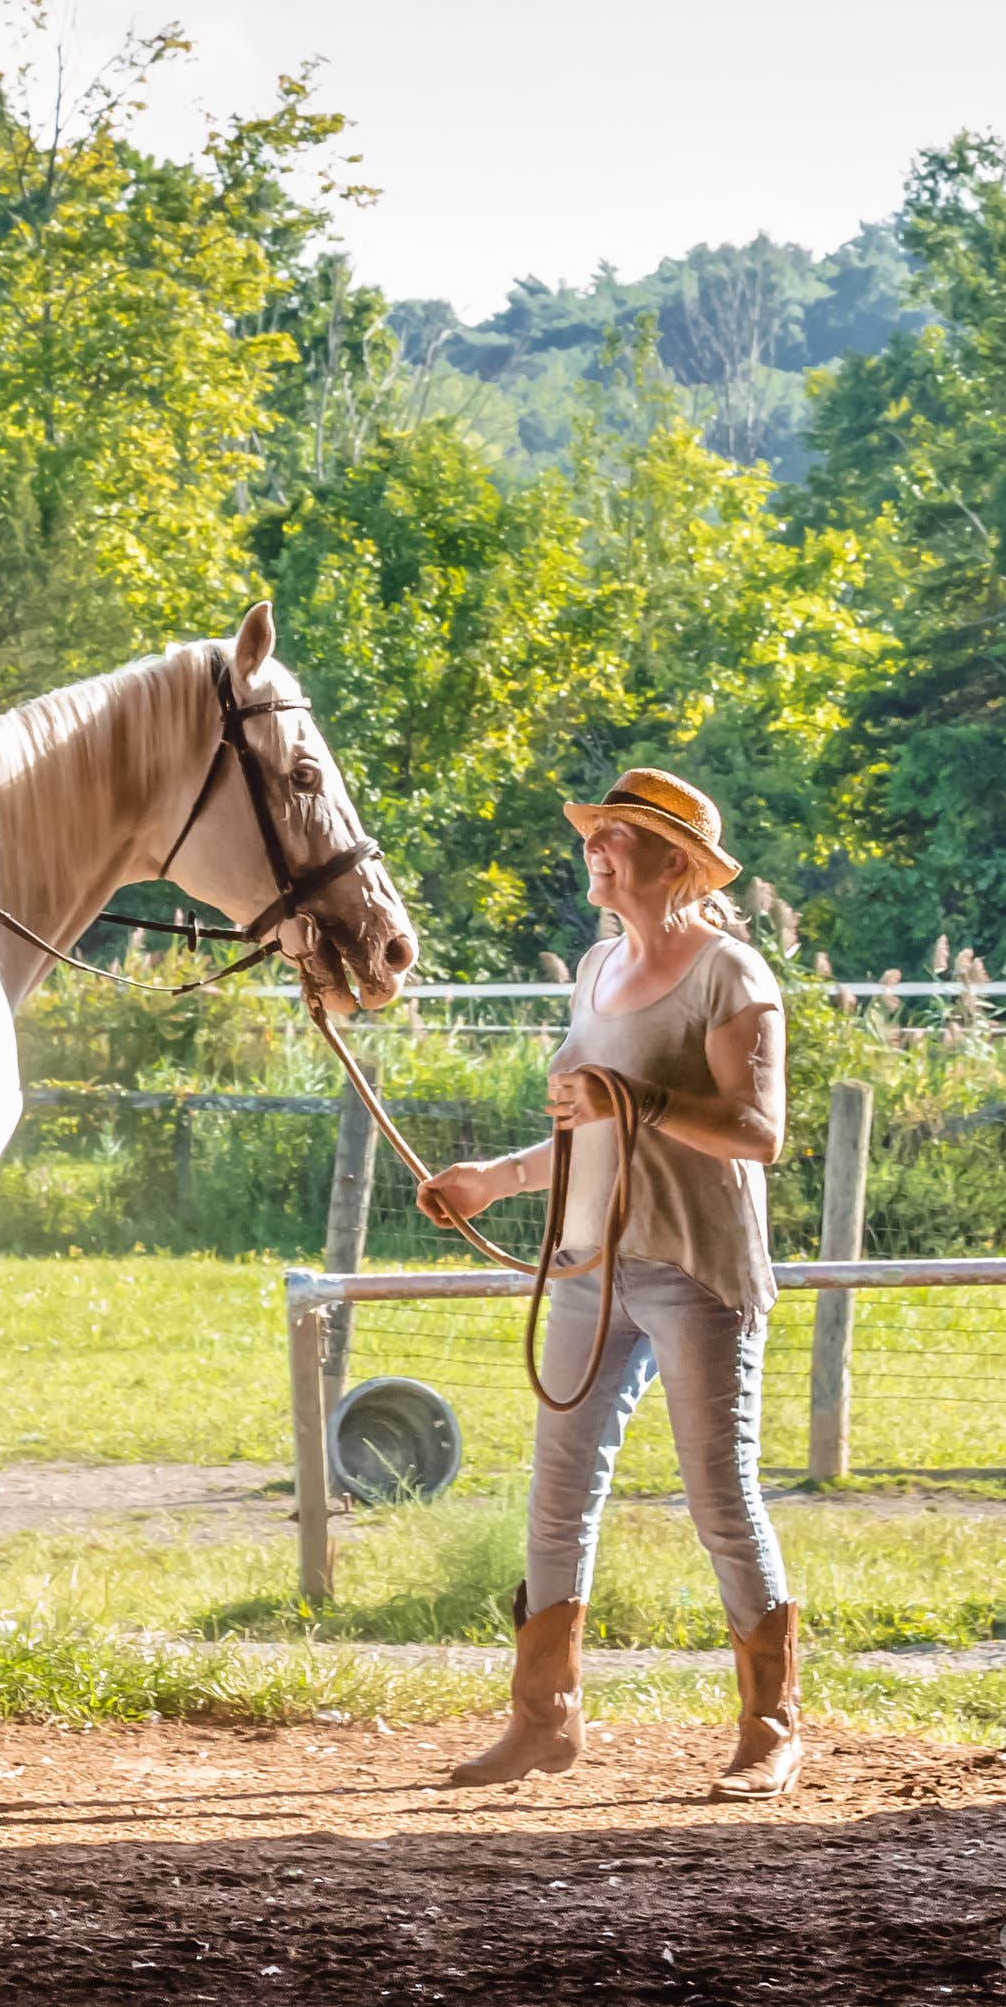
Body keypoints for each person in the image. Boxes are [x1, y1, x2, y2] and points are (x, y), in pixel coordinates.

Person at [417, 766, 799, 1803]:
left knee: (720, 1498)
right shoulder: (593, 968)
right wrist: (494, 1181)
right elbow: (588, 1125)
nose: (598, 848)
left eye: (620, 837)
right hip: (590, 1267)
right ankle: (543, 1725)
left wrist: (633, 1095)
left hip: (691, 1271)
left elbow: (756, 1133)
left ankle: (770, 1728)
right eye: (597, 832)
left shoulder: (732, 974)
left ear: (674, 860)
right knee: (556, 1499)